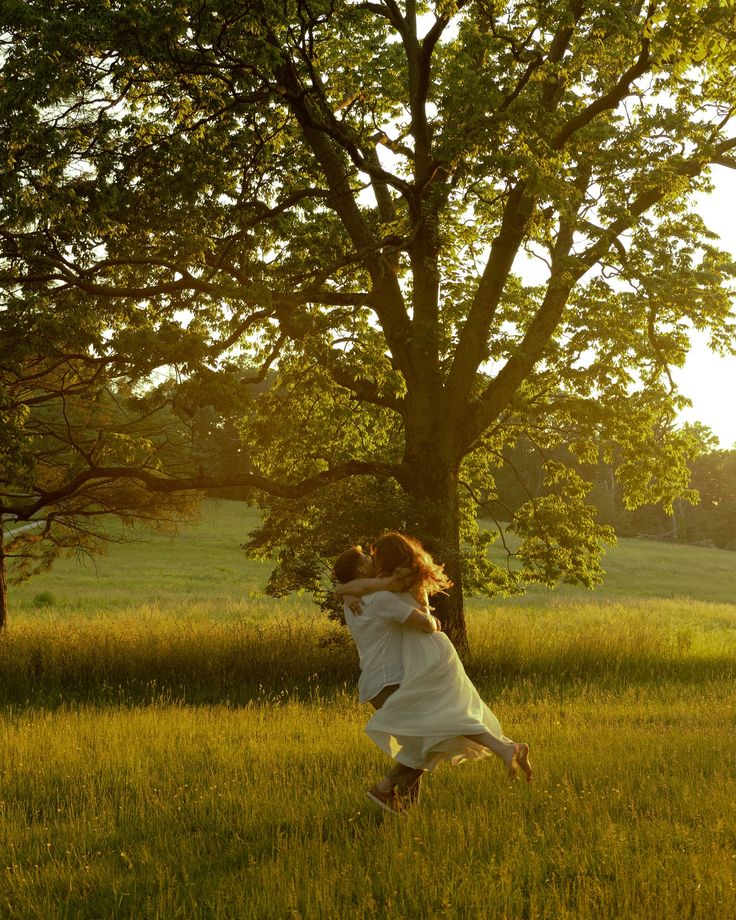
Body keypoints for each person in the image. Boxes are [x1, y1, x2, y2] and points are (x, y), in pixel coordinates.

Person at [334, 532, 532, 815]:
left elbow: (380, 589)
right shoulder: (378, 599)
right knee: (435, 731)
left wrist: (343, 590)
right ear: (361, 570)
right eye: (367, 557)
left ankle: (402, 802)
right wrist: (432, 619)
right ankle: (385, 788)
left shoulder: (360, 599)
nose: (371, 557)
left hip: (384, 680)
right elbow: (426, 624)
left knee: (428, 737)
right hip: (391, 681)